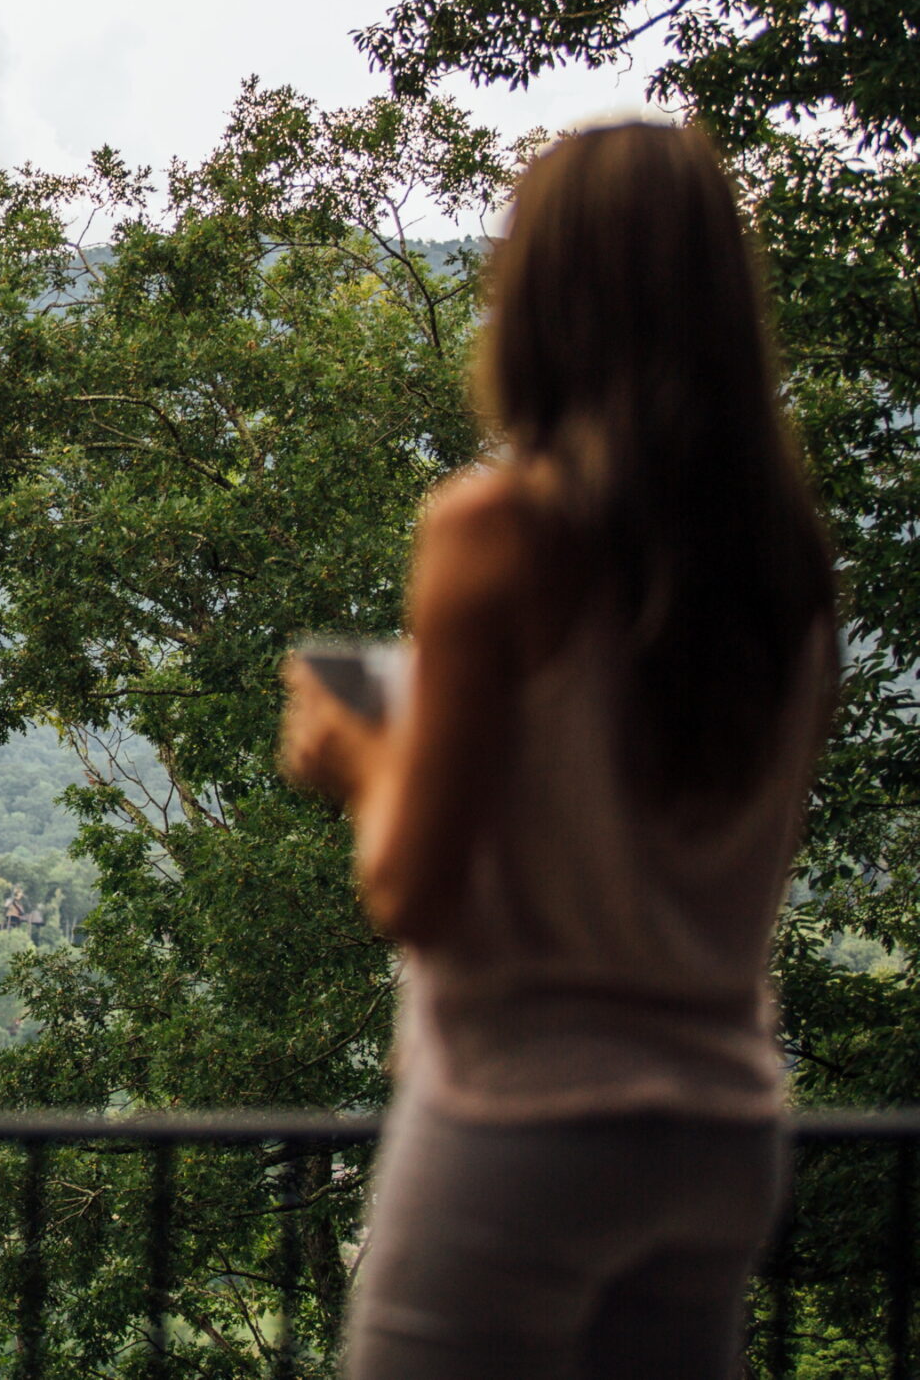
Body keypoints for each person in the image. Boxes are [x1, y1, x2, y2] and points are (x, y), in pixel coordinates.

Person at [279, 122, 838, 1380]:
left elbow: (410, 891)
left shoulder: (499, 529)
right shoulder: (784, 573)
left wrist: (358, 757)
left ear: (536, 293)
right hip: (719, 1133)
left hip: (521, 1120)